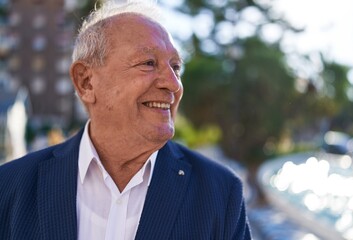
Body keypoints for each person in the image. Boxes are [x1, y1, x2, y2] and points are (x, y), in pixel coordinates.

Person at [0, 1, 252, 239]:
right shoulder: (10, 187)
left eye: (176, 67)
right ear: (86, 82)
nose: (173, 84)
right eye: (149, 63)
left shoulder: (220, 194)